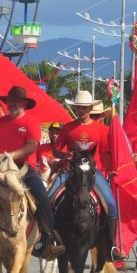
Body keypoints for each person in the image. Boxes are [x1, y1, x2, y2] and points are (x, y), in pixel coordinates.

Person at [0, 86, 66, 261]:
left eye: (16, 101)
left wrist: (9, 155)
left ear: (24, 104)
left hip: (24, 169)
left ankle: (49, 240)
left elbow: (32, 146)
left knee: (42, 198)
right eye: (10, 101)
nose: (12, 104)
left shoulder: (31, 122)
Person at [49, 90, 125, 261]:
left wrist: (111, 169)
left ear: (90, 108)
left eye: (83, 108)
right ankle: (49, 241)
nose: (80, 110)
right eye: (77, 107)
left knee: (111, 204)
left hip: (94, 173)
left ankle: (112, 245)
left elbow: (105, 152)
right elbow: (56, 149)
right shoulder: (68, 128)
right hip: (69, 171)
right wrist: (64, 156)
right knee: (48, 199)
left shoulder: (101, 129)